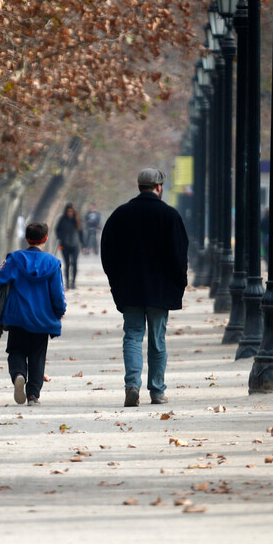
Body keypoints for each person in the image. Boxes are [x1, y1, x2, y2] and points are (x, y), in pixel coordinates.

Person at [101, 168, 189, 407]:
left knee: (132, 336)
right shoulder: (170, 216)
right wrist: (179, 282)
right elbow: (180, 254)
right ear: (159, 187)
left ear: (139, 186)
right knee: (158, 340)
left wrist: (115, 281)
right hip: (161, 290)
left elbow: (107, 252)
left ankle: (132, 385)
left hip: (129, 289)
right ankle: (157, 391)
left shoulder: (120, 215)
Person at [0, 222, 66, 406]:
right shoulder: (53, 263)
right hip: (42, 318)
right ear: (45, 238)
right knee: (37, 356)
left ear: (26, 238)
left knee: (16, 349)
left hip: (17, 316)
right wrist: (59, 311)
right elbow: (58, 293)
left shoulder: (14, 259)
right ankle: (33, 396)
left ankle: (18, 374)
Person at [55, 203, 84, 289]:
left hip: (75, 244)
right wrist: (61, 238)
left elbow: (81, 232)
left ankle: (73, 282)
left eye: (71, 211)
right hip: (64, 244)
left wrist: (83, 244)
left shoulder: (77, 220)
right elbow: (57, 230)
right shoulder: (62, 219)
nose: (70, 212)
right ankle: (67, 282)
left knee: (74, 263)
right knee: (67, 264)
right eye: (68, 211)